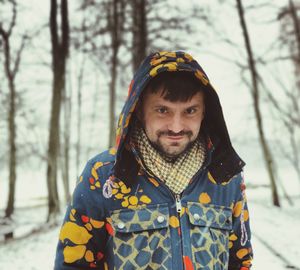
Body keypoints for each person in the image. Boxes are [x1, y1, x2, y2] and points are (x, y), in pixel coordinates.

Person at [54, 51, 253, 270]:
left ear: (205, 111)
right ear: (138, 110)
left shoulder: (225, 176)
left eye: (190, 111)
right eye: (162, 110)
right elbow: (73, 264)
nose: (176, 126)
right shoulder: (104, 175)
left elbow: (240, 262)